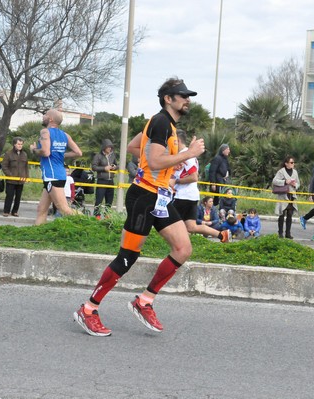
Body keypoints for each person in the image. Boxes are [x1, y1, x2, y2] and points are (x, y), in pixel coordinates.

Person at [74, 77, 204, 337]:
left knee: (183, 248)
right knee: (127, 257)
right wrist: (186, 155)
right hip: (144, 196)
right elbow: (154, 162)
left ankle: (144, 301)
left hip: (161, 197)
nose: (187, 99)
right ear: (169, 99)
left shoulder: (164, 124)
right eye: (182, 95)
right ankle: (88, 309)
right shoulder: (160, 122)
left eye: (188, 96)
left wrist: (170, 160)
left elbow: (137, 148)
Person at [171, 130, 229, 243]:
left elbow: (194, 177)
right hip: (189, 196)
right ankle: (222, 235)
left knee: (169, 223)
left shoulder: (186, 155)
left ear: (177, 140)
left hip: (183, 196)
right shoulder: (185, 154)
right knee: (192, 227)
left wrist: (176, 181)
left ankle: (179, 246)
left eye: (171, 141)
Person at [31, 109, 82, 225]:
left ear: (51, 119)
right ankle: (38, 234)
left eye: (45, 115)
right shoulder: (65, 135)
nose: (43, 117)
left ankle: (91, 223)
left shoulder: (45, 132)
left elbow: (45, 152)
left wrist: (33, 149)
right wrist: (61, 154)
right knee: (41, 209)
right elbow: (78, 152)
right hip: (57, 175)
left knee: (64, 208)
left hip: (52, 175)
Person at [272, 156, 300, 239]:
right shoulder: (281, 171)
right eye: (291, 162)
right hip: (283, 195)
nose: (293, 164)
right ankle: (280, 233)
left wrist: (295, 185)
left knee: (290, 215)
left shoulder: (295, 172)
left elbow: (298, 183)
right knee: (281, 214)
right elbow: (274, 181)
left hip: (292, 195)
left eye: (293, 162)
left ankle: (288, 233)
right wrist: (285, 182)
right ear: (286, 163)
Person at [1, 137, 29, 217]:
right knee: (9, 195)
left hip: (21, 180)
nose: (20, 146)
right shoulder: (8, 154)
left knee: (18, 197)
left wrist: (27, 177)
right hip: (11, 180)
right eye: (18, 144)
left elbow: (26, 166)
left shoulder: (24, 154)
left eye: (21, 144)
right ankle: (6, 211)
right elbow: (4, 166)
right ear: (14, 144)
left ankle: (15, 211)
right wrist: (9, 175)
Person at [91, 139, 117, 219]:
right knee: (99, 199)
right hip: (102, 180)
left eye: (111, 147)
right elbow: (94, 167)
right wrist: (104, 168)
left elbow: (116, 164)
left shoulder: (112, 155)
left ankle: (107, 215)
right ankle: (97, 216)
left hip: (110, 180)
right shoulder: (98, 156)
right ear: (104, 147)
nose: (110, 149)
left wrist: (115, 167)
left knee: (109, 200)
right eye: (108, 147)